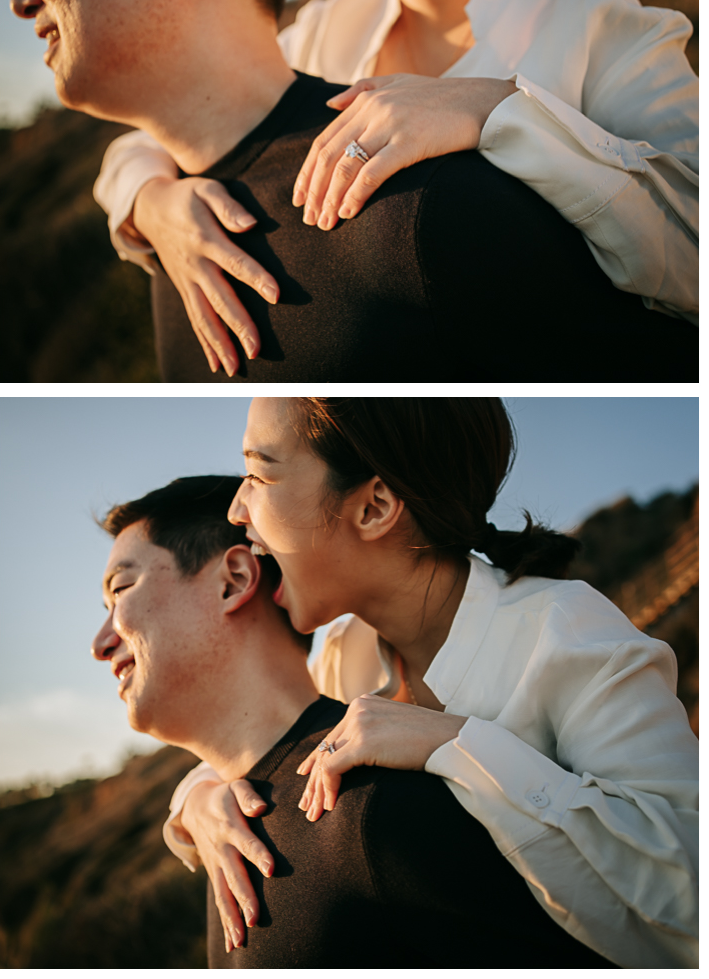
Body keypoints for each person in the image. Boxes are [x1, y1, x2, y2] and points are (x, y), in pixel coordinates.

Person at [11, 0, 697, 381]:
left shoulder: (595, 16)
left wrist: (497, 107)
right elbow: (202, 119)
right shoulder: (327, 27)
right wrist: (150, 200)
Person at [160, 398, 698, 969]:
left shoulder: (566, 633)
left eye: (258, 473)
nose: (236, 510)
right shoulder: (349, 655)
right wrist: (197, 798)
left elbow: (692, 892)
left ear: (374, 506)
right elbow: (271, 739)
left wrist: (459, 744)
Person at [91, 474, 616, 968]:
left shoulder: (379, 805)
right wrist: (194, 799)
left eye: (121, 590)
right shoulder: (227, 826)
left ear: (233, 580)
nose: (100, 642)